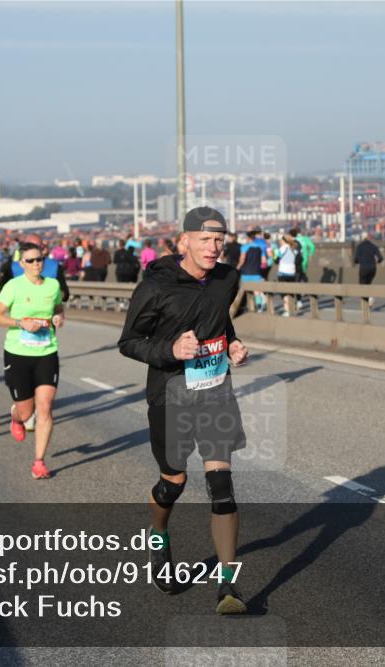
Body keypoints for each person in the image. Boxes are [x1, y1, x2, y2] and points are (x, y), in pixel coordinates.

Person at [118, 206, 250, 615]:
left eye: (220, 241)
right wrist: (170, 350)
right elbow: (129, 341)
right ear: (184, 242)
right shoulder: (156, 287)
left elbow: (220, 321)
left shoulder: (227, 279)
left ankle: (228, 586)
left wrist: (232, 344)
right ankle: (158, 536)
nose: (214, 248)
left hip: (214, 392)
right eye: (206, 240)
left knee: (222, 488)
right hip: (170, 396)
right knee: (172, 483)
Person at [0, 242, 65, 479]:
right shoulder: (13, 286)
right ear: (21, 264)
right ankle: (16, 417)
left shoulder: (53, 285)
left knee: (45, 407)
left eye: (39, 259)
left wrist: (58, 318)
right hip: (18, 353)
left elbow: (59, 308)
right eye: (30, 260)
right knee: (26, 411)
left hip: (46, 352)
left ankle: (39, 462)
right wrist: (21, 323)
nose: (36, 264)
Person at [236, 229, 265, 311]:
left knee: (243, 291)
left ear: (248, 238)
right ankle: (259, 308)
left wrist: (237, 268)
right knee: (257, 291)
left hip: (246, 273)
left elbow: (242, 260)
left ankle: (245, 308)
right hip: (256, 272)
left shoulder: (244, 247)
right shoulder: (259, 248)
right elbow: (263, 261)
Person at [275, 234, 301, 316]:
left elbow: (276, 260)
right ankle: (292, 307)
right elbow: (298, 259)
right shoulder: (294, 249)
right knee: (291, 291)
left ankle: (287, 310)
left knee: (284, 293)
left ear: (284, 241)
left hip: (283, 272)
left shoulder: (282, 248)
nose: (280, 242)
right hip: (292, 272)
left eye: (281, 241)